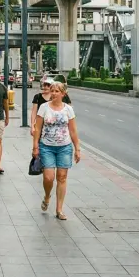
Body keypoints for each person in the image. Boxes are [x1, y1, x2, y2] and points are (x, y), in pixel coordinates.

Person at [31, 81, 81, 220]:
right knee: (48, 177)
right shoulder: (44, 107)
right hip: (46, 146)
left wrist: (77, 148)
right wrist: (35, 146)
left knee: (62, 177)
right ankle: (47, 196)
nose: (53, 93)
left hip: (64, 147)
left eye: (56, 91)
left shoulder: (68, 109)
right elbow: (38, 128)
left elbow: (73, 130)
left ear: (63, 94)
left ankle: (59, 210)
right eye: (52, 91)